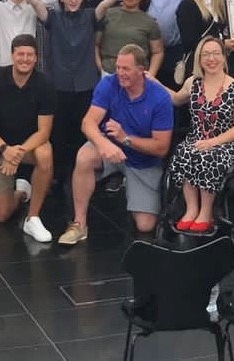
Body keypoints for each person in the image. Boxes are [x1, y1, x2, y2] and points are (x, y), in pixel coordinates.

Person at [61, 44, 175, 244]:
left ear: (141, 70)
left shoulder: (159, 98)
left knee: (145, 225)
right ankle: (79, 223)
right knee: (84, 156)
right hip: (111, 150)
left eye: (126, 69)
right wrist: (104, 145)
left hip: (143, 160)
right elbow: (88, 123)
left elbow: (161, 147)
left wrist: (125, 139)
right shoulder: (109, 84)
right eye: (118, 68)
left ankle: (135, 191)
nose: (120, 73)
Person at [17, 0, 98, 182]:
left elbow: (107, 4)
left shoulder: (91, 16)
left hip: (85, 86)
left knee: (83, 134)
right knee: (59, 135)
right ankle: (58, 179)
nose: (73, 0)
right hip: (59, 87)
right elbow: (35, 3)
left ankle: (81, 175)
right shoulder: (53, 17)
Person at [164, 37, 234, 234]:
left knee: (206, 155)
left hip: (228, 141)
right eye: (206, 54)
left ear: (223, 57)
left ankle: (206, 212)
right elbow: (176, 99)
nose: (212, 59)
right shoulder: (193, 83)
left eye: (216, 54)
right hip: (198, 137)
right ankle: (192, 208)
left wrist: (213, 142)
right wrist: (153, 83)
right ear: (199, 59)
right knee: (185, 150)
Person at [0, 34, 56, 242]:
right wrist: (5, 150)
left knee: (45, 152)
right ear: (12, 55)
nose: (25, 59)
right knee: (2, 215)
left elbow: (44, 132)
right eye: (20, 54)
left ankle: (33, 217)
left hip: (26, 149)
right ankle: (21, 191)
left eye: (30, 55)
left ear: (36, 58)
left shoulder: (45, 84)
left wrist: (17, 153)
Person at [93, 0, 163, 81]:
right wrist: (100, 68)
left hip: (137, 77)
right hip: (108, 74)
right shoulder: (108, 14)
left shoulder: (149, 22)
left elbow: (158, 52)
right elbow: (96, 44)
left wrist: (150, 75)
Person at [174, 0, 226, 87]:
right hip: (198, 66)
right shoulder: (187, 5)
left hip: (219, 64)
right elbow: (189, 42)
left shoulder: (218, 4)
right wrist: (222, 44)